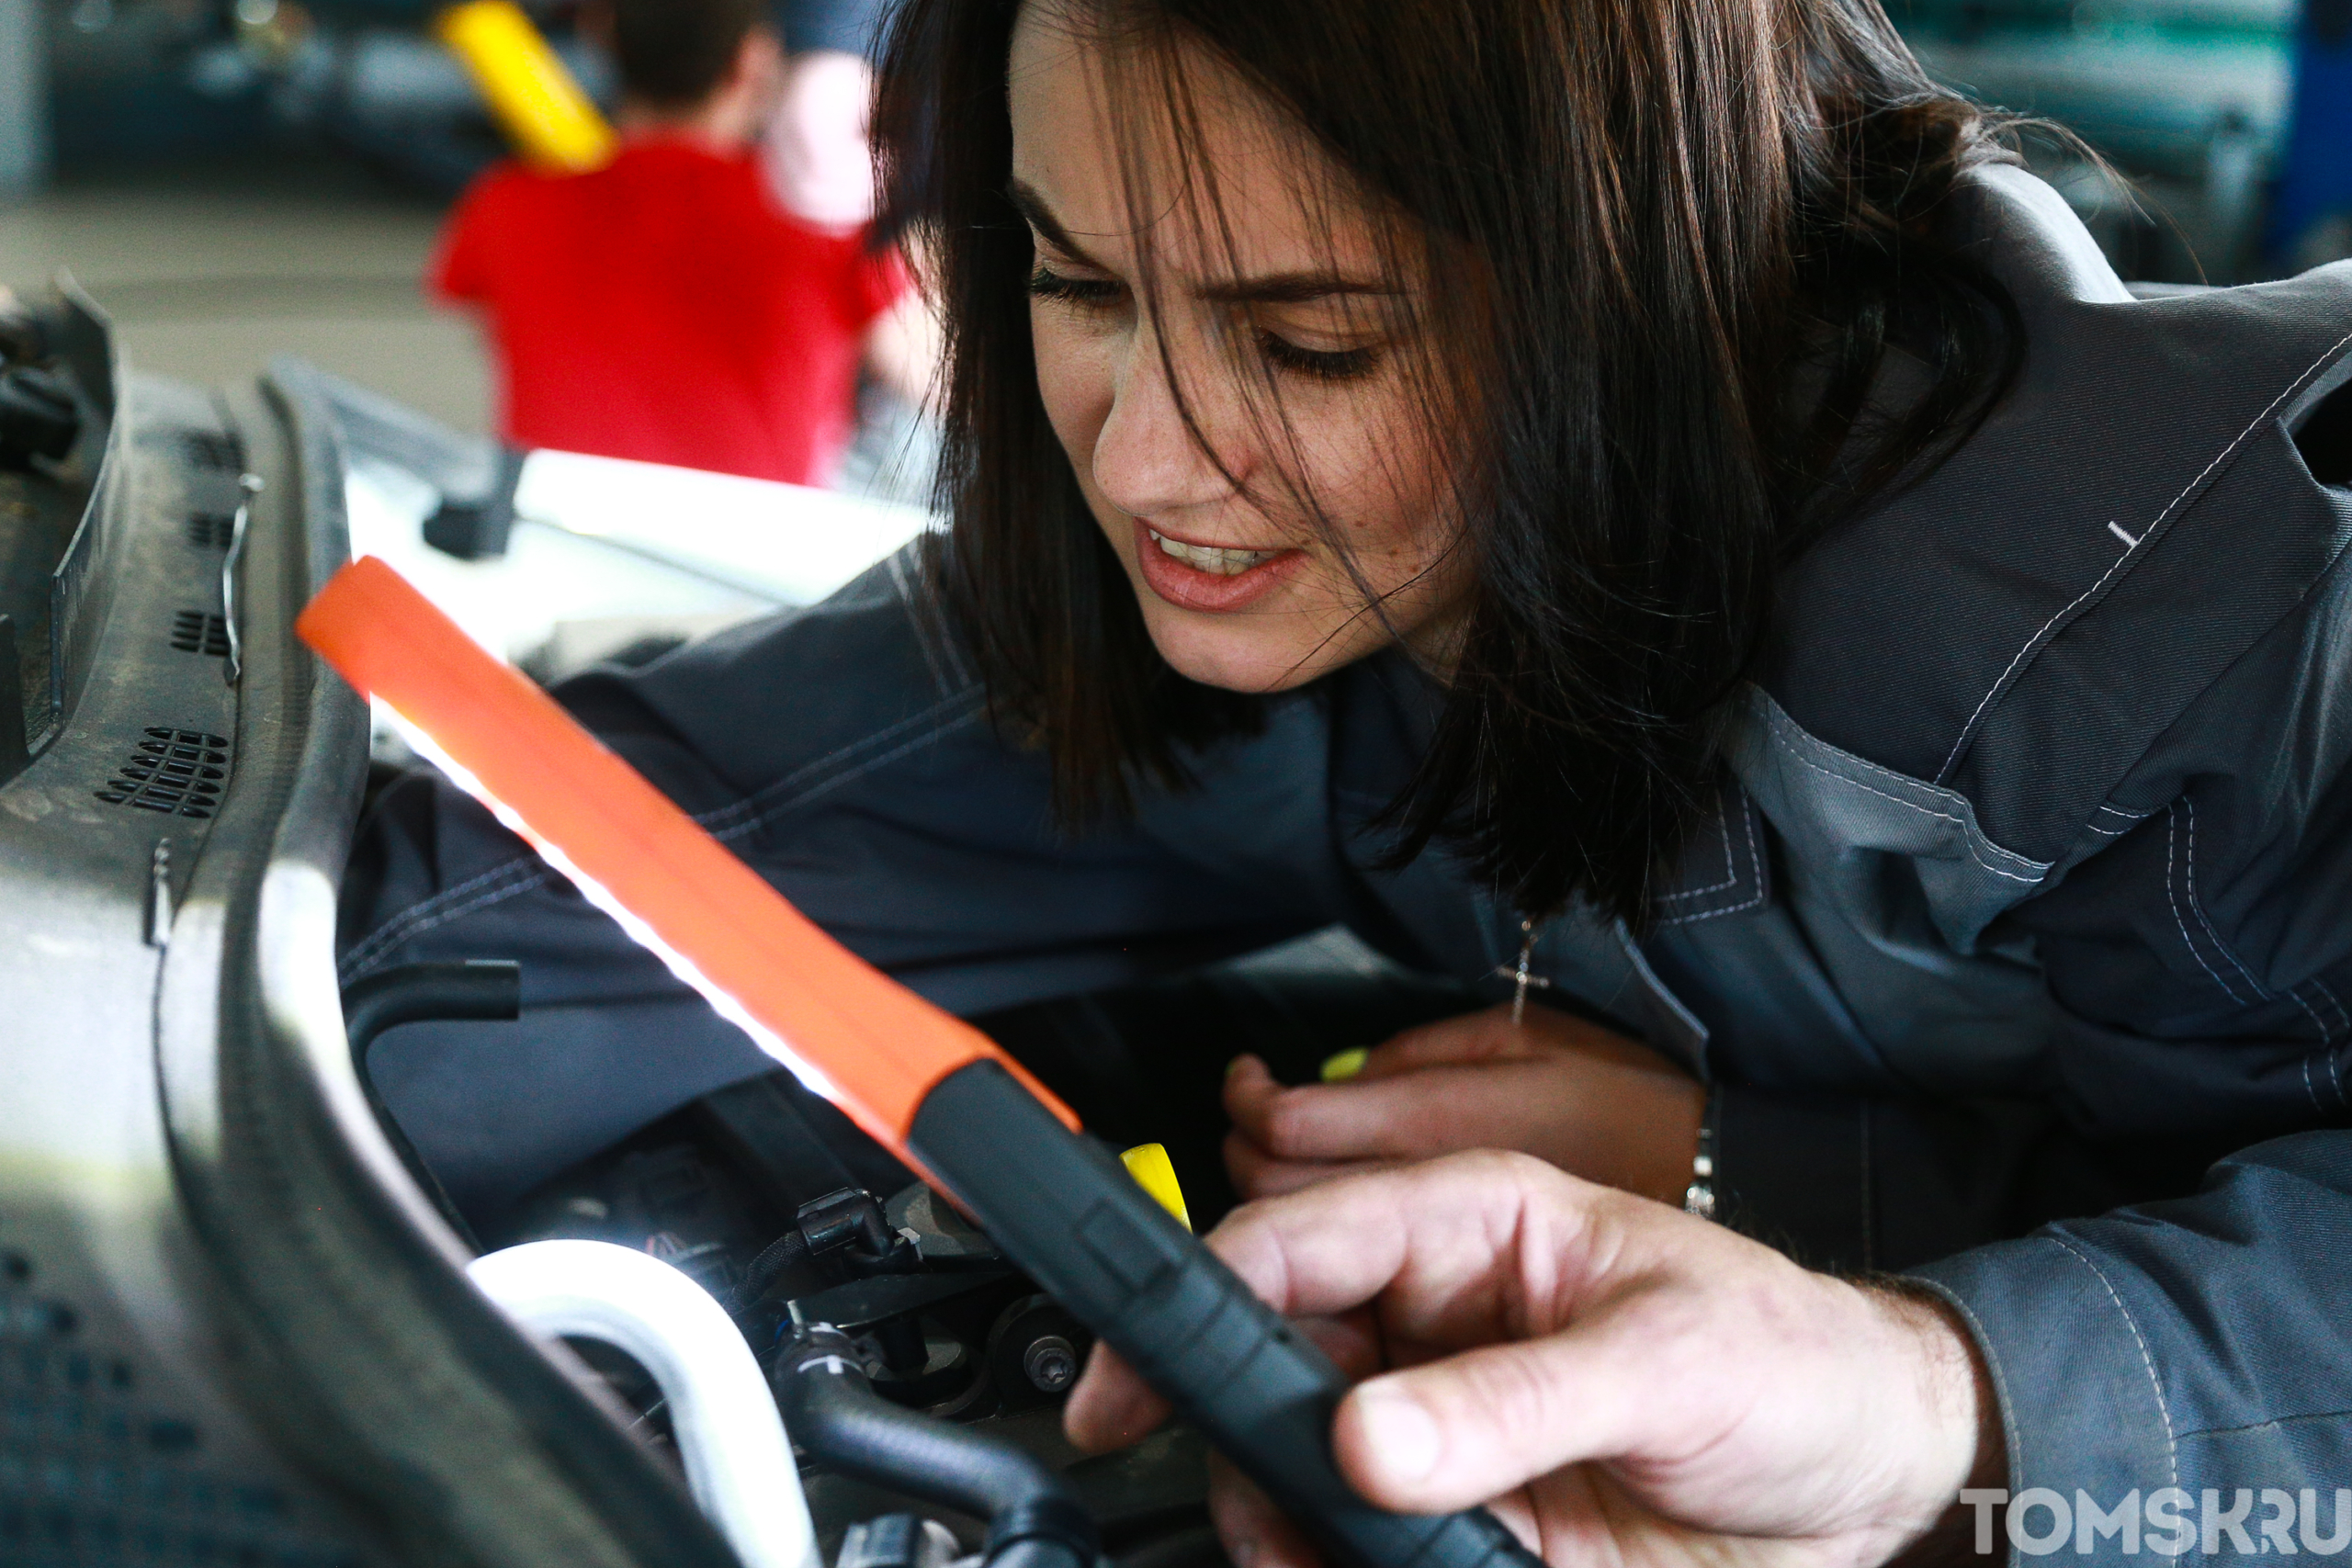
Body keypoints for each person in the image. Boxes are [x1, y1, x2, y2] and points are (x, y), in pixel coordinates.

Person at [347, 0, 2352, 1561]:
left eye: (1306, 342)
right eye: (1074, 284)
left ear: (1642, 292)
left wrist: (1930, 1397)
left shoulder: (2188, 646)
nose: (1139, 458)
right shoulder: (1271, 599)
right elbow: (613, 862)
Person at [430, 0, 934, 484]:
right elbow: (936, 383)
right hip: (753, 558)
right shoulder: (825, 231)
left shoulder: (503, 205)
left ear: (604, 42)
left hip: (551, 541)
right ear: (750, 62)